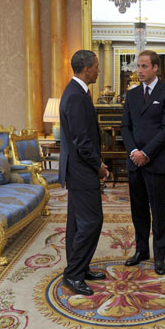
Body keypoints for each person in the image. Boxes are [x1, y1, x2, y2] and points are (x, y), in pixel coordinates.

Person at [120, 50, 165, 275]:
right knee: (138, 210)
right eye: (138, 66)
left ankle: (160, 257)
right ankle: (141, 250)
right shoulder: (132, 94)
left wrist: (146, 153)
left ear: (156, 68)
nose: (139, 71)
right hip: (134, 162)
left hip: (156, 162)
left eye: (144, 66)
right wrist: (135, 151)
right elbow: (125, 127)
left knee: (158, 211)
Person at [58, 50, 110, 296]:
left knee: (77, 223)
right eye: (97, 66)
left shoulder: (77, 92)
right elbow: (81, 140)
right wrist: (98, 166)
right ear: (87, 68)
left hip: (78, 168)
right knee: (91, 222)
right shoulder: (76, 96)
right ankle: (73, 275)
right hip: (81, 170)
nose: (99, 71)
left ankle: (80, 267)